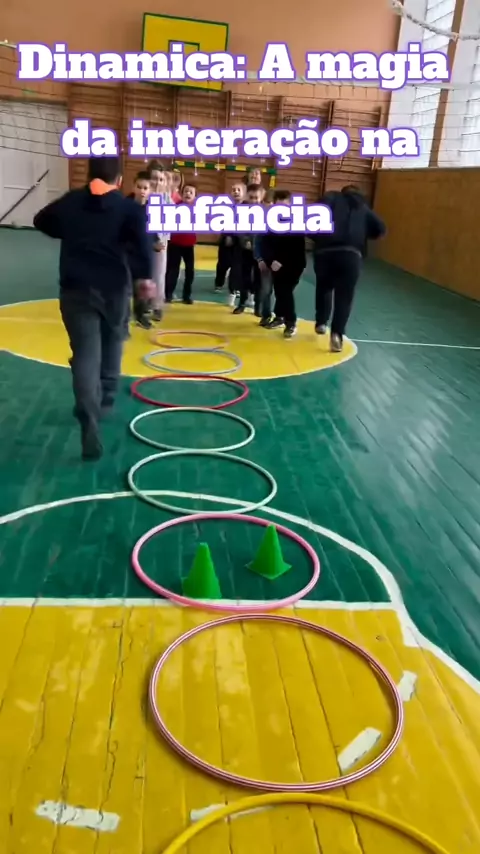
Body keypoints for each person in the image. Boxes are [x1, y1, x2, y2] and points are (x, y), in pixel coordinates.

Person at [33, 155, 153, 461]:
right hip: (114, 290)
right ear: (120, 180)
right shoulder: (129, 209)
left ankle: (87, 412)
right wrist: (145, 282)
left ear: (89, 175)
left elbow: (41, 220)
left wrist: (71, 230)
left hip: (75, 289)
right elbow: (142, 249)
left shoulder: (71, 201)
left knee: (86, 355)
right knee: (112, 344)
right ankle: (105, 401)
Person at [313, 185, 386, 352]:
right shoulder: (363, 207)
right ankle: (337, 334)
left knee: (324, 287)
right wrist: (364, 233)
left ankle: (321, 322)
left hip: (325, 253)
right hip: (351, 255)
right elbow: (380, 229)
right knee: (344, 297)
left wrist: (319, 239)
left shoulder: (328, 200)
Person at [261, 189, 306, 338]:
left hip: (294, 264)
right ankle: (280, 316)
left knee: (285, 292)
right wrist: (270, 260)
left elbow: (296, 247)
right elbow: (265, 244)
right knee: (281, 291)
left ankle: (290, 322)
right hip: (275, 264)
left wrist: (281, 261)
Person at [126, 169, 155, 331]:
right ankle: (122, 316)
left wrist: (156, 241)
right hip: (128, 254)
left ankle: (140, 315)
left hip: (145, 254)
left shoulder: (152, 208)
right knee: (126, 286)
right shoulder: (126, 206)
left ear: (150, 190)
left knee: (142, 288)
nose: (142, 191)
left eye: (145, 188)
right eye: (139, 187)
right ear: (134, 187)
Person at [232, 183, 263, 316]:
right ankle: (242, 303)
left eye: (256, 198)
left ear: (261, 197)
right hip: (244, 250)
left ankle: (258, 305)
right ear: (246, 197)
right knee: (244, 276)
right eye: (251, 197)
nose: (254, 201)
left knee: (259, 279)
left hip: (259, 252)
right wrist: (245, 241)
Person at [165, 182, 197, 304]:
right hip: (175, 244)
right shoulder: (175, 207)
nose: (188, 194)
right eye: (186, 191)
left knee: (190, 271)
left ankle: (186, 295)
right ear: (181, 194)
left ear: (194, 196)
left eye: (191, 192)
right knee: (172, 270)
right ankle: (168, 294)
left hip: (189, 245)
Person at [148, 164, 172, 321]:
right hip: (143, 241)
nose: (157, 182)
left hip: (160, 241)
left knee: (158, 274)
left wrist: (160, 240)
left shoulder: (166, 199)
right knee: (143, 274)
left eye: (161, 179)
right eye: (154, 178)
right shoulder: (144, 195)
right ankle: (143, 304)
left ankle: (157, 306)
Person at [214, 181, 245, 298]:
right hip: (226, 240)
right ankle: (219, 283)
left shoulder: (247, 208)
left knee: (237, 265)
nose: (236, 192)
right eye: (233, 190)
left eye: (238, 190)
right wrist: (227, 235)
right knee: (223, 264)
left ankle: (235, 287)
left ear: (244, 193)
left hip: (239, 241)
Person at [254, 189, 274, 326]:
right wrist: (259, 259)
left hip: (281, 263)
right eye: (267, 202)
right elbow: (257, 242)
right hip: (266, 262)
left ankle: (282, 317)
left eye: (272, 203)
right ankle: (266, 315)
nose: (270, 205)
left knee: (282, 292)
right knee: (266, 290)